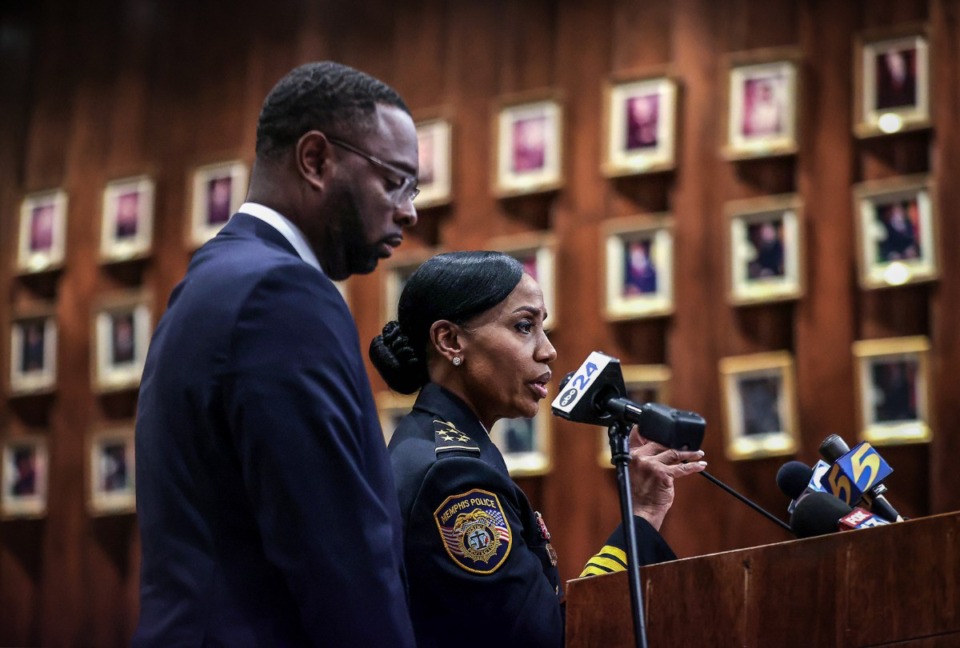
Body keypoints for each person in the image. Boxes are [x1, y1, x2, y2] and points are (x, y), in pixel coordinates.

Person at [134, 61, 420, 647]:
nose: (409, 210)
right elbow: (339, 556)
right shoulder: (281, 295)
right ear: (316, 160)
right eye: (395, 180)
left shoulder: (216, 276)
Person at [370, 251, 706, 648]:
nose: (548, 351)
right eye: (524, 326)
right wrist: (643, 515)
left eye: (542, 327)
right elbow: (548, 639)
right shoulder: (454, 480)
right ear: (450, 340)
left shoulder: (432, 444)